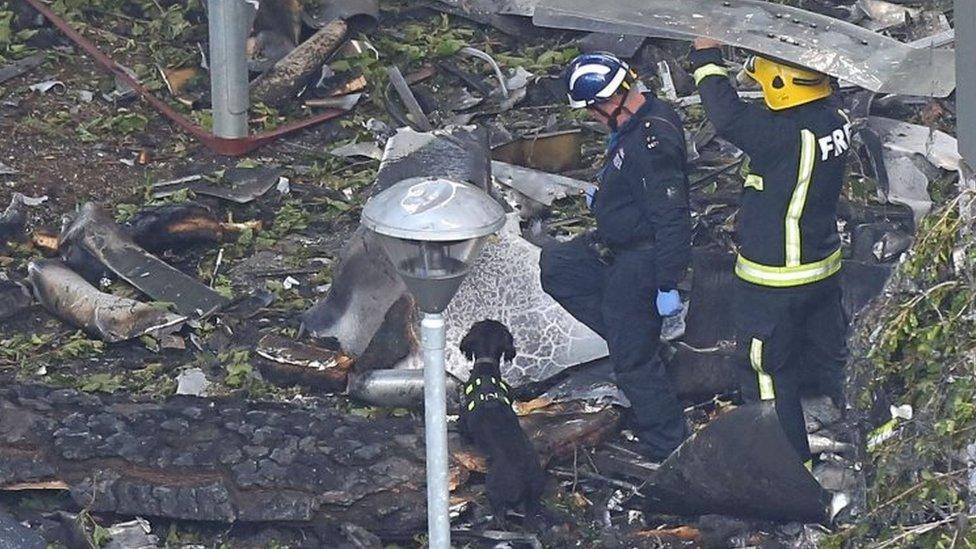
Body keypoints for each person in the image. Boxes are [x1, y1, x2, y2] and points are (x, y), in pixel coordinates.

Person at [690, 38, 851, 467]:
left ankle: (787, 469)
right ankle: (882, 441)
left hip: (776, 279)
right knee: (837, 361)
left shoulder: (780, 134)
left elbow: (726, 116)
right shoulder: (833, 120)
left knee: (765, 373)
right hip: (823, 270)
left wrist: (705, 55)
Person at [539, 52, 692, 461]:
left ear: (607, 103)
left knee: (633, 364)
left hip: (643, 259)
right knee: (558, 267)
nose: (591, 118)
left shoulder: (651, 142)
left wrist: (667, 283)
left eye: (591, 111)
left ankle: (670, 445)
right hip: (616, 246)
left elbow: (672, 216)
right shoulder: (636, 123)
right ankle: (634, 337)